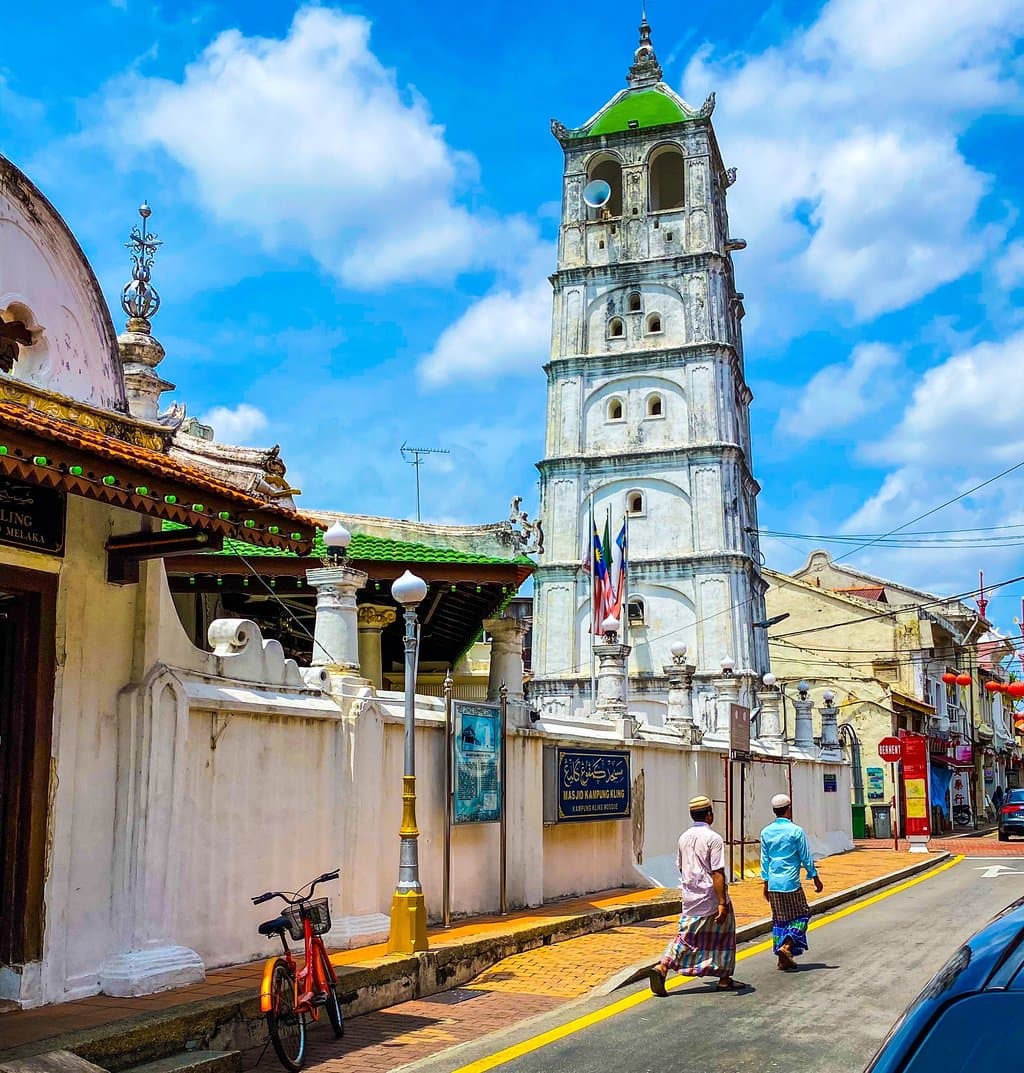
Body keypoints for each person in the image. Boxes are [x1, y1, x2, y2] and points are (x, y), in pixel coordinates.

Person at [649, 794, 743, 995]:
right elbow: (717, 872)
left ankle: (664, 966)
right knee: (725, 936)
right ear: (709, 814)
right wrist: (722, 902)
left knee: (686, 936)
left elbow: (681, 866)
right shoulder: (714, 839)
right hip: (710, 895)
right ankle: (723, 978)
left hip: (690, 894)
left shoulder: (684, 837)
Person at [760, 793, 823, 971]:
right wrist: (815, 877)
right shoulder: (796, 831)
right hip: (791, 882)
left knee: (780, 920)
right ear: (789, 808)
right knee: (802, 915)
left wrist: (765, 883)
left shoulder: (766, 832)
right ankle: (786, 946)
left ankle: (782, 960)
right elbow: (805, 857)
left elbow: (764, 860)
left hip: (773, 882)